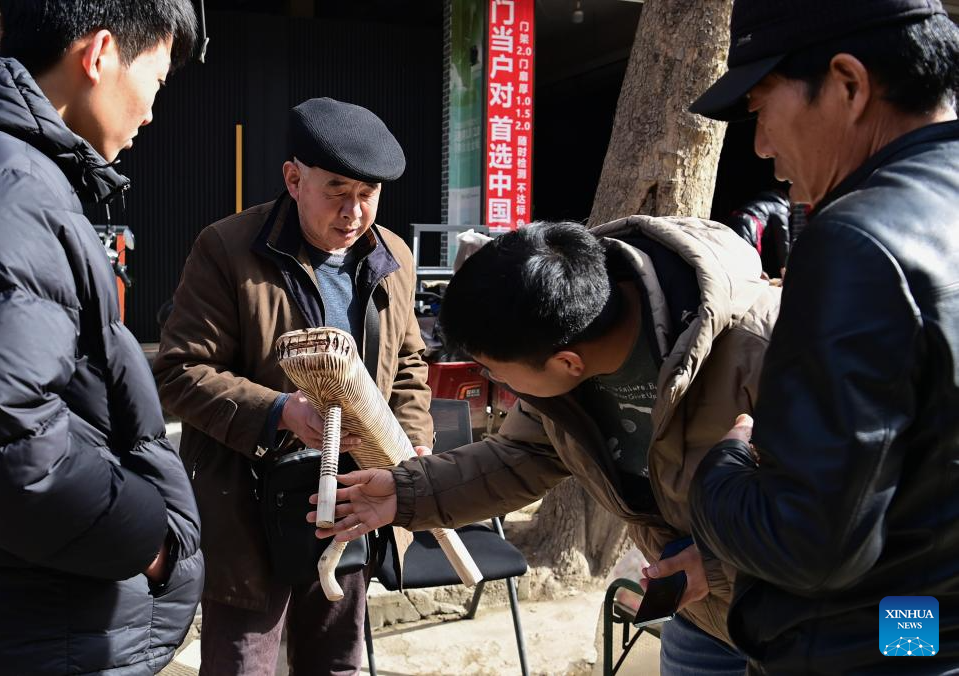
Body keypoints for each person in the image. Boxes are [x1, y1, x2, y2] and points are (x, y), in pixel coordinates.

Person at [312, 218, 781, 675]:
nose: (493, 381)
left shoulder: (769, 353)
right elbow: (522, 456)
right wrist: (408, 491)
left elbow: (821, 506)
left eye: (495, 371)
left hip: (796, 614)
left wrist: (716, 564)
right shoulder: (564, 345)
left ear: (566, 362)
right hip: (703, 618)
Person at [687, 1, 959, 673]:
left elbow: (808, 542)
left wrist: (721, 468)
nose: (761, 146)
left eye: (761, 108)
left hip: (864, 649)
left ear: (848, 84)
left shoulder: (856, 241)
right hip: (925, 628)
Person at [0, 2, 202, 674]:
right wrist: (147, 539)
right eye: (157, 81)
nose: (152, 111)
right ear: (99, 54)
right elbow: (7, 441)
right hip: (36, 624)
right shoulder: (9, 185)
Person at [153, 97, 433, 676]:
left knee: (336, 663)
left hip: (354, 500)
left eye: (368, 194)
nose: (354, 213)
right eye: (337, 191)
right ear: (293, 179)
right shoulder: (227, 249)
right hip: (249, 503)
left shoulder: (393, 257)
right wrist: (282, 411)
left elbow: (408, 365)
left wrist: (412, 443)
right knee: (242, 665)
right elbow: (178, 372)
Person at [723, 187, 791, 278]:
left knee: (732, 255)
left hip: (733, 219)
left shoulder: (760, 202)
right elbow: (783, 239)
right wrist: (784, 266)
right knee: (749, 257)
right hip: (748, 223)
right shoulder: (781, 208)